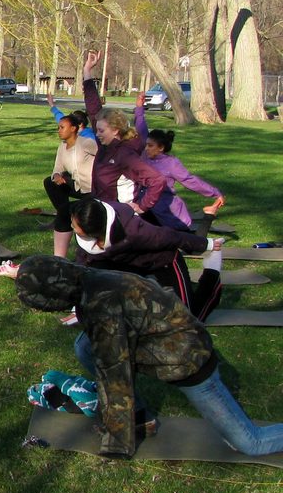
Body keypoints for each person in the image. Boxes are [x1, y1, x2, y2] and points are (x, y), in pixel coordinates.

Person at [15, 255, 283, 458]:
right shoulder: (89, 278)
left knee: (249, 442)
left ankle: (136, 422)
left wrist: (117, 443)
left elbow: (115, 379)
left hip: (189, 363)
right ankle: (142, 418)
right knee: (85, 346)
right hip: (166, 338)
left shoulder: (101, 306)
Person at [70, 198, 223, 321]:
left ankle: (212, 272)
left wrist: (206, 244)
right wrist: (78, 307)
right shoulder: (86, 236)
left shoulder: (134, 231)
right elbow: (83, 263)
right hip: (130, 265)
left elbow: (170, 237)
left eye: (75, 225)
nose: (72, 226)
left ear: (94, 230)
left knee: (187, 318)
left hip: (163, 260)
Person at [82, 50, 166, 215]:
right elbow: (93, 108)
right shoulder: (106, 144)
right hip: (102, 209)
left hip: (121, 217)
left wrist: (142, 206)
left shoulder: (126, 153)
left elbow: (157, 180)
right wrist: (87, 71)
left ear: (115, 130)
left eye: (101, 130)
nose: (97, 134)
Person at [134, 94, 225, 233]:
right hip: (144, 206)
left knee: (189, 243)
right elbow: (141, 129)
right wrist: (139, 108)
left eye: (150, 146)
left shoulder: (171, 163)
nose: (146, 148)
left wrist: (214, 193)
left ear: (161, 148)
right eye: (146, 145)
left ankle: (209, 215)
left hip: (166, 209)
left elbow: (190, 181)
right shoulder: (146, 156)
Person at [43, 108, 97, 257]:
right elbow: (57, 168)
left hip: (92, 189)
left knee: (65, 210)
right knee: (49, 182)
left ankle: (65, 216)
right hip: (77, 187)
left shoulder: (86, 143)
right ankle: (64, 216)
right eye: (58, 127)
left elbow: (103, 157)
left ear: (73, 129)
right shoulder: (62, 147)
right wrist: (56, 176)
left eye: (62, 127)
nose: (58, 130)